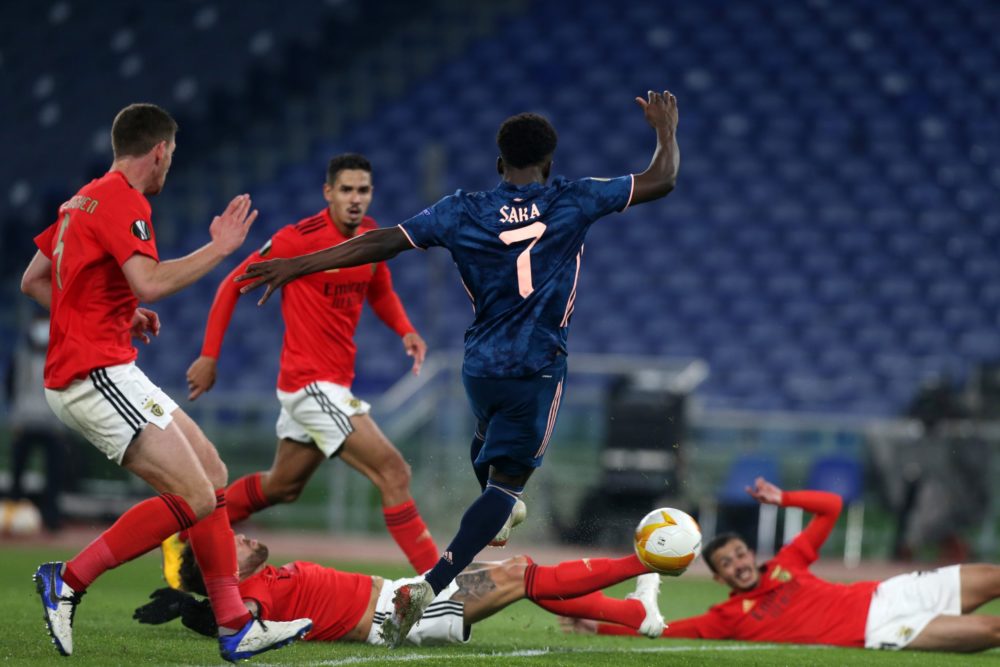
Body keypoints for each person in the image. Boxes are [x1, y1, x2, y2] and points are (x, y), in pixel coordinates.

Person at [236, 90, 681, 645]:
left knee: (489, 458)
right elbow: (661, 179)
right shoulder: (575, 198)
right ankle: (431, 582)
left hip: (480, 365)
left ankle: (497, 510)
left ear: (499, 164)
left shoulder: (462, 208)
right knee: (507, 488)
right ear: (550, 163)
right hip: (535, 365)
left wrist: (299, 264)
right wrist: (665, 129)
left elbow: (380, 242)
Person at [19, 102, 312, 661]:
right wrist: (219, 250)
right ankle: (69, 580)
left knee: (214, 474)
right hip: (91, 375)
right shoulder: (123, 202)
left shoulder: (82, 197)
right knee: (195, 496)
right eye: (171, 156)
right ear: (158, 151)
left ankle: (234, 624)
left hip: (109, 364)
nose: (169, 166)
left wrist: (113, 311)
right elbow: (149, 283)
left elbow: (34, 280)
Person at [171, 153, 437, 587]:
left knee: (282, 487)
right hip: (312, 385)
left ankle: (184, 532)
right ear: (328, 193)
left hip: (324, 387)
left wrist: (406, 329)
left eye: (363, 190)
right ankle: (443, 584)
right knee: (394, 472)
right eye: (347, 190)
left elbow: (381, 290)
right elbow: (232, 284)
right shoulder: (298, 240)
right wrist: (209, 356)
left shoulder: (371, 237)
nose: (356, 199)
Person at [567, 477, 1000, 653]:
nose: (738, 563)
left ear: (749, 554)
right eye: (727, 563)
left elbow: (830, 507)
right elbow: (662, 628)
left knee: (994, 577)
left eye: (740, 554)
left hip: (889, 593)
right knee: (991, 631)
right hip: (881, 631)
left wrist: (785, 499)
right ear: (717, 578)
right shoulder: (729, 619)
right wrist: (596, 621)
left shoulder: (787, 562)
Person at [134, 532, 668, 646]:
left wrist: (196, 603)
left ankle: (635, 616)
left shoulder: (255, 580)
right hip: (401, 617)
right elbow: (243, 623)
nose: (244, 535)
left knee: (517, 574)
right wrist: (194, 611)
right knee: (522, 573)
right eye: (234, 540)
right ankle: (639, 563)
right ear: (217, 564)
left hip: (404, 595)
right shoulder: (255, 592)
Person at [5, 310, 72, 531]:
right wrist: (14, 418)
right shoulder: (20, 355)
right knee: (17, 473)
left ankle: (52, 519)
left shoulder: (61, 353)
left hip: (53, 423)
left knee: (54, 474)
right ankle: (11, 516)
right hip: (24, 422)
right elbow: (10, 388)